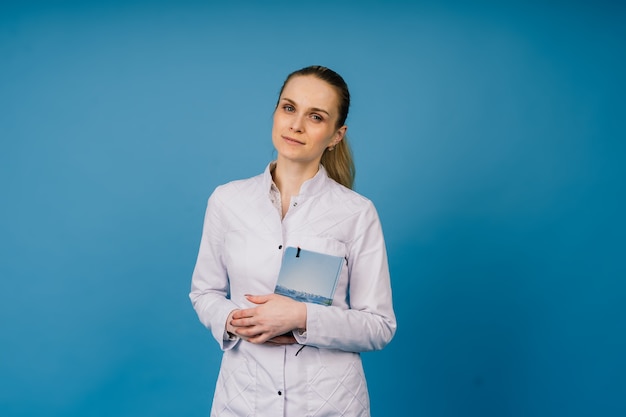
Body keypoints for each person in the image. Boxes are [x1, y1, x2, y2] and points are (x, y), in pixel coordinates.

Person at [190, 65, 396, 417]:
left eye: (315, 117)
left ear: (336, 135)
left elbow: (379, 325)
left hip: (330, 404)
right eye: (289, 108)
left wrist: (301, 316)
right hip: (243, 398)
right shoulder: (227, 201)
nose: (296, 125)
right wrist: (235, 319)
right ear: (275, 112)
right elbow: (203, 292)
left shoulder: (356, 213)